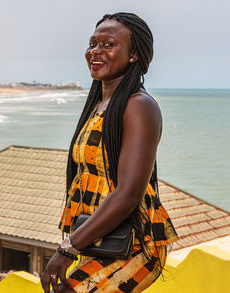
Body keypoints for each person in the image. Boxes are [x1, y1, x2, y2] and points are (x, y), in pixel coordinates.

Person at [41, 12, 179, 293]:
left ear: (133, 55)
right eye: (93, 43)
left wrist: (67, 249)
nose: (95, 51)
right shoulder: (101, 104)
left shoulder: (139, 106)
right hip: (101, 239)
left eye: (108, 44)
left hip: (135, 244)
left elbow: (129, 192)